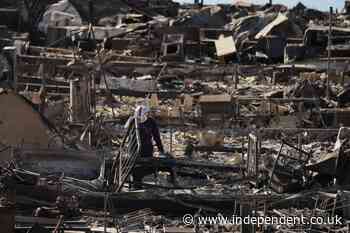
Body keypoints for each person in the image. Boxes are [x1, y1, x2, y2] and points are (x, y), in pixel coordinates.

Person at [130, 105, 164, 188]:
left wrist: (161, 150)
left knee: (145, 167)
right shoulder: (133, 121)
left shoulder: (151, 122)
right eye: (145, 113)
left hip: (147, 150)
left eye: (147, 113)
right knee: (135, 169)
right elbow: (130, 137)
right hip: (134, 149)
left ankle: (142, 184)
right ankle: (135, 186)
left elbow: (156, 137)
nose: (147, 115)